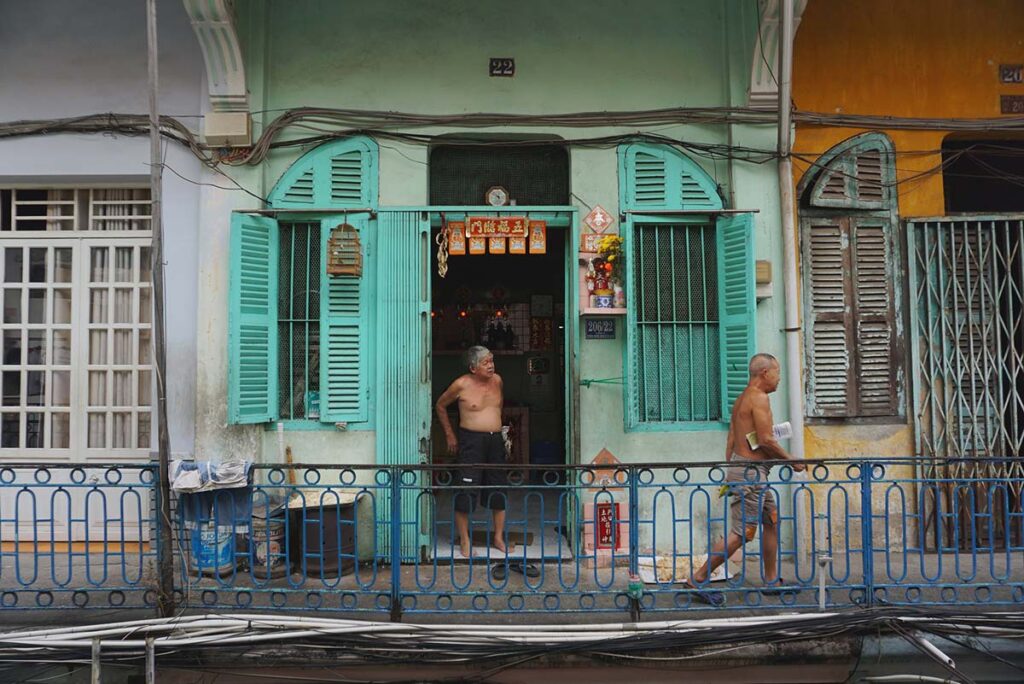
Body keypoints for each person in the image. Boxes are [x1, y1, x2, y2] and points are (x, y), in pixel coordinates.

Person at [688, 353, 805, 604]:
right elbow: (765, 440)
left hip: (750, 472)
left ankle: (772, 580)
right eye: (777, 372)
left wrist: (734, 468)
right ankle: (697, 579)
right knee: (742, 533)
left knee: (771, 520)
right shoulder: (759, 398)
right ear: (765, 373)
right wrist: (791, 461)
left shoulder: (742, 398)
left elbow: (732, 440)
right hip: (750, 474)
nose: (779, 378)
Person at [435, 345, 510, 559]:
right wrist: (450, 434)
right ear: (473, 367)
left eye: (492, 360)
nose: (491, 365)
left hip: (494, 440)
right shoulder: (461, 384)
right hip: (471, 441)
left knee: (498, 488)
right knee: (466, 490)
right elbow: (440, 406)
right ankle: (465, 540)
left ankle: (498, 537)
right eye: (485, 362)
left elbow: (498, 406)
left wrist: (499, 430)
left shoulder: (497, 380)